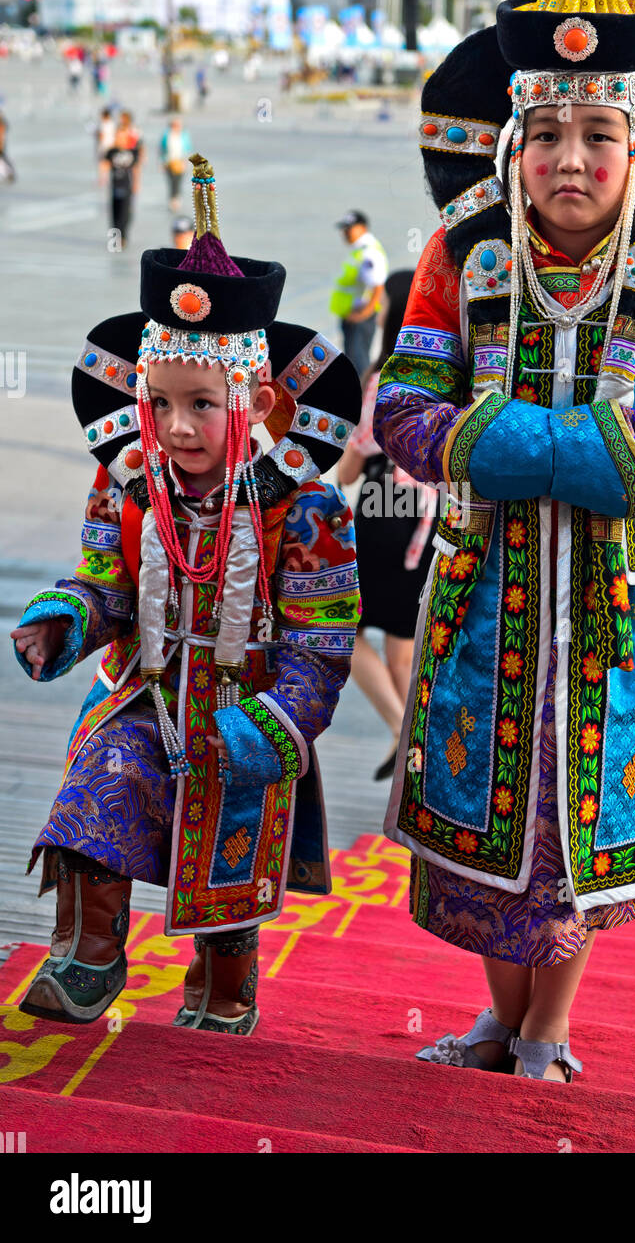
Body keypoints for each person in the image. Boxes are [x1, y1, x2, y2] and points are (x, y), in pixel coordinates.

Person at [373, 0, 635, 1083]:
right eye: (546, 132)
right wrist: (522, 445)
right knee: (488, 836)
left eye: (600, 134)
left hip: (615, 614)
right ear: (511, 144)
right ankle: (495, 1016)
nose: (571, 158)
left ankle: (548, 1029)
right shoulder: (462, 258)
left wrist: (573, 451)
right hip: (486, 597)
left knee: (575, 833)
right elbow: (400, 411)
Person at [10, 153, 362, 1035]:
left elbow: (322, 642)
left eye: (202, 404)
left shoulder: (306, 505)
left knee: (227, 869)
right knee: (93, 798)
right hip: (141, 695)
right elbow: (105, 580)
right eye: (157, 402)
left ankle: (223, 989)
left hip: (247, 711)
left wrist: (278, 721)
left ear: (258, 398)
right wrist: (64, 619)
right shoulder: (126, 485)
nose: (175, 426)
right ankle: (88, 960)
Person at [337, 270, 439, 780]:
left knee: (344, 628)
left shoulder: (383, 379)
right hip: (431, 519)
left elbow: (349, 469)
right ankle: (419, 756)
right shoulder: (445, 376)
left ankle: (403, 733)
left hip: (384, 511)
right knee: (403, 645)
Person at [330, 210, 389, 377]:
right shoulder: (359, 250)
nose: (345, 233)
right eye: (344, 229)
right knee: (353, 360)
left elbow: (378, 286)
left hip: (360, 317)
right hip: (354, 316)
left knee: (358, 364)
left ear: (362, 228)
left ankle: (363, 400)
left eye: (349, 228)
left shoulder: (368, 252)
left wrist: (364, 314)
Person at [103, 112, 142, 248]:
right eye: (118, 135)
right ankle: (114, 241)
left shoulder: (132, 152)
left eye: (123, 135)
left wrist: (137, 183)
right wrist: (102, 177)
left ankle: (124, 237)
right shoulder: (111, 151)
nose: (120, 138)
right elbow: (105, 164)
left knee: (125, 214)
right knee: (114, 213)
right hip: (114, 186)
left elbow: (136, 168)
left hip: (127, 186)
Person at [160, 116, 193, 212]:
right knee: (171, 180)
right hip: (169, 161)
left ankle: (176, 199)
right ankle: (172, 198)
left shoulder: (184, 135)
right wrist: (162, 162)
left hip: (180, 161)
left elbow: (187, 149)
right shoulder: (167, 135)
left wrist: (186, 162)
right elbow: (162, 149)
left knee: (178, 180)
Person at [0, 109, 15, 183]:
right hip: (1, 144)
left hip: (1, 144)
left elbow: (5, 128)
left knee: (3, 158)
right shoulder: (3, 123)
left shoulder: (2, 123)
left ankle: (9, 174)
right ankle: (9, 174)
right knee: (3, 159)